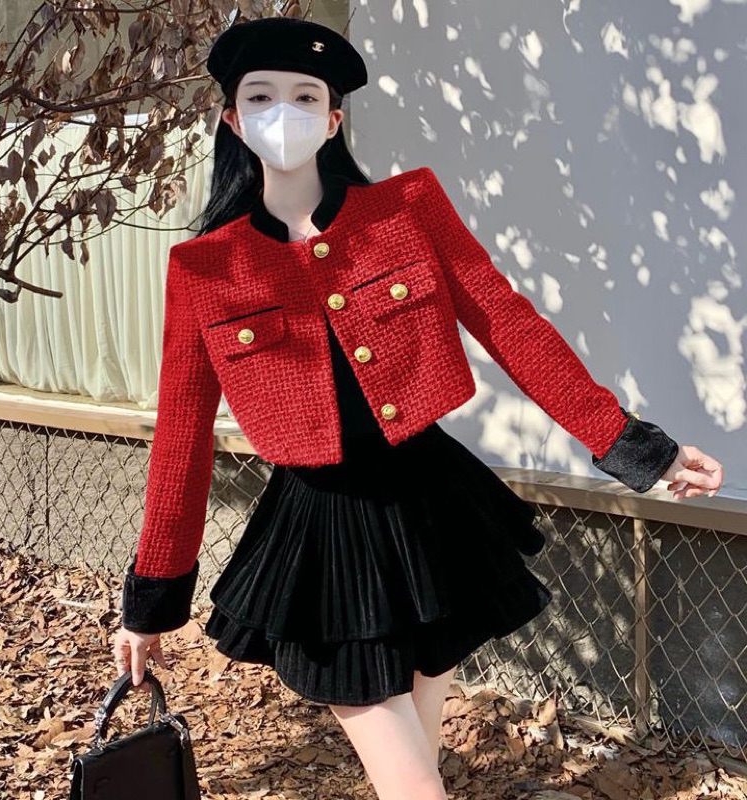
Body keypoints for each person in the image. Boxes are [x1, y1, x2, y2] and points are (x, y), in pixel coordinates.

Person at [112, 16, 724, 800]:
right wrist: (152, 598)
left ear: (333, 120)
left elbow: (511, 326)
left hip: (434, 503)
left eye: (305, 97)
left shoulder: (406, 209)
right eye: (260, 97)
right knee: (410, 776)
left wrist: (639, 448)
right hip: (321, 528)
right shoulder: (206, 267)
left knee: (418, 763)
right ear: (232, 120)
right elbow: (181, 437)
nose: (282, 112)